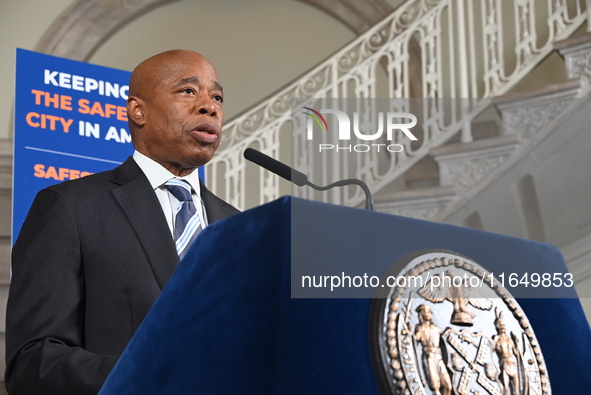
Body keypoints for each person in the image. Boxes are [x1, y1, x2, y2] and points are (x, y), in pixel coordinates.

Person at [5, 49, 239, 395]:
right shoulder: (70, 207)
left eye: (217, 96)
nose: (210, 106)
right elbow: (32, 361)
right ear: (137, 110)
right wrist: (157, 372)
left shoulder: (236, 225)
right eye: (188, 91)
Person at [414, 304, 452, 395]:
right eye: (425, 312)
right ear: (421, 315)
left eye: (428, 312)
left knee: (448, 385)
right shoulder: (420, 328)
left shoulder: (436, 328)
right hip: (429, 357)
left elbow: (446, 336)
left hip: (438, 357)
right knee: (435, 387)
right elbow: (415, 338)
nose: (427, 314)